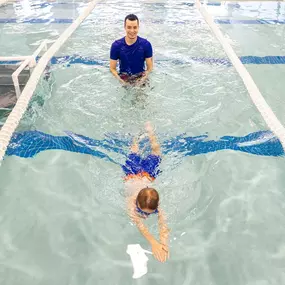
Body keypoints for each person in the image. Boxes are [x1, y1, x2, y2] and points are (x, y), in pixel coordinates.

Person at [122, 121, 170, 263]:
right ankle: (143, 134)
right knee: (147, 152)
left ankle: (148, 133)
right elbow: (139, 224)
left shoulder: (154, 203)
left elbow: (163, 221)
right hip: (135, 174)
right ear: (136, 201)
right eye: (146, 212)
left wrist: (163, 242)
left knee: (151, 152)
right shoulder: (131, 201)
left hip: (143, 174)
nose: (147, 215)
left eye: (149, 212)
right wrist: (153, 242)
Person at [110, 14, 153, 87]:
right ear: (125, 27)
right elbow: (112, 68)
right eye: (129, 27)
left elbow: (150, 68)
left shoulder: (146, 45)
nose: (132, 31)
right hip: (123, 78)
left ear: (138, 27)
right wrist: (121, 81)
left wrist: (141, 80)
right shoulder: (116, 46)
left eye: (135, 27)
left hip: (140, 77)